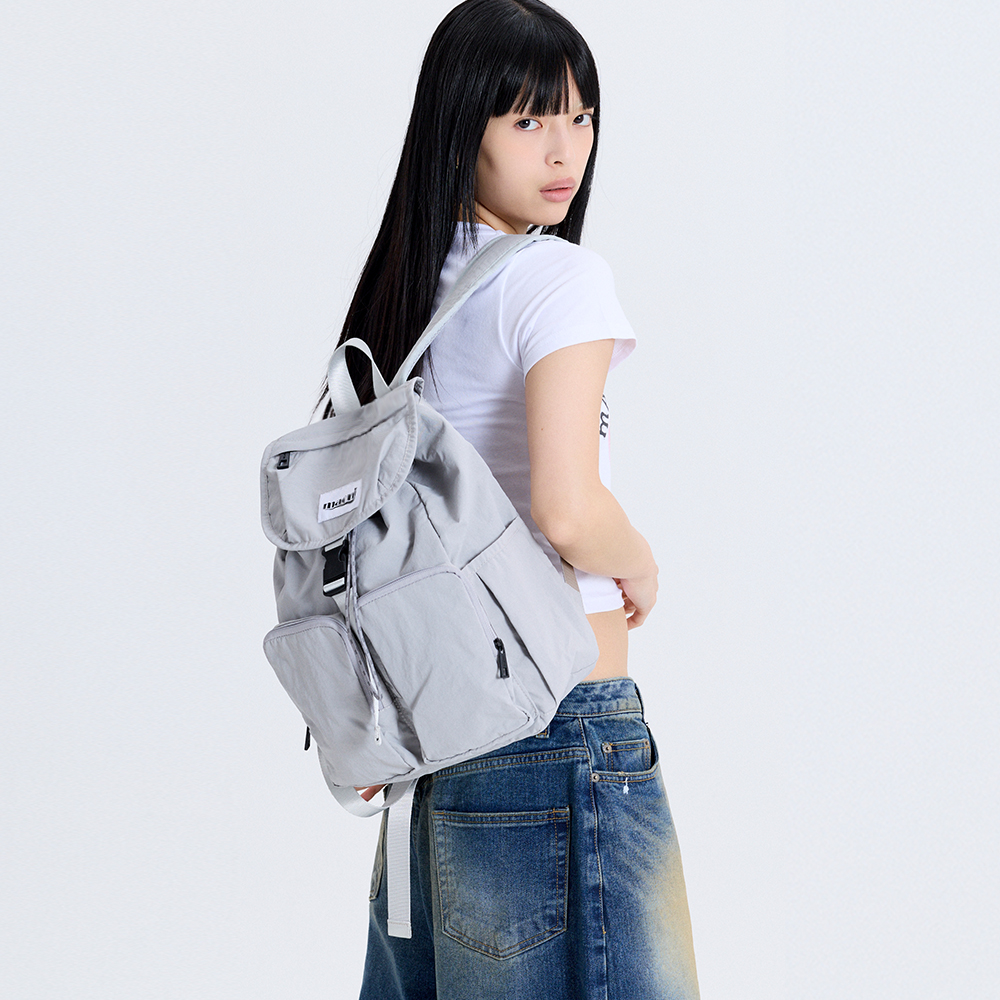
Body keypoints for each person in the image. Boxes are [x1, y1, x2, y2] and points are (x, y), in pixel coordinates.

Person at [324, 2, 700, 996]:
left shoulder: (403, 298)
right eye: (528, 119)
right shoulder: (557, 279)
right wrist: (638, 561)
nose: (564, 149)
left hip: (438, 749)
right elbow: (569, 510)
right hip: (561, 730)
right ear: (463, 126)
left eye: (581, 117)